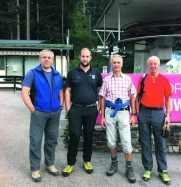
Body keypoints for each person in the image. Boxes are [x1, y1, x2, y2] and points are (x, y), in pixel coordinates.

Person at [21, 49, 64, 182]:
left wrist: (60, 105)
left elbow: (61, 90)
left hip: (54, 113)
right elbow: (24, 92)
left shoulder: (57, 74)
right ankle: (35, 169)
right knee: (36, 141)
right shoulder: (32, 73)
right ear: (40, 59)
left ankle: (50, 164)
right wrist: (33, 109)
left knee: (51, 140)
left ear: (52, 60)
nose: (46, 59)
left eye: (49, 57)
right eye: (44, 57)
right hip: (39, 113)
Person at [62, 48, 103, 177]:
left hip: (91, 109)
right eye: (83, 56)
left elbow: (100, 91)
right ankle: (70, 163)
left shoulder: (96, 73)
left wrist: (99, 108)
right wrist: (68, 108)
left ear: (91, 58)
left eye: (87, 56)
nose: (85, 59)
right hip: (76, 109)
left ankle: (87, 161)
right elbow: (67, 90)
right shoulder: (72, 73)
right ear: (79, 57)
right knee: (74, 136)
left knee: (89, 136)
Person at [99, 54, 137, 183]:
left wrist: (133, 115)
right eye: (114, 62)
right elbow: (102, 97)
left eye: (118, 62)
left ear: (122, 64)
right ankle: (114, 163)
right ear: (111, 64)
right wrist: (102, 116)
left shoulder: (127, 79)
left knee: (126, 141)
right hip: (110, 112)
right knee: (111, 140)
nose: (116, 65)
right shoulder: (106, 80)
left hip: (124, 112)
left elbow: (132, 97)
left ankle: (129, 167)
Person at [135, 56, 172, 185]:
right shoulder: (143, 79)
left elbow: (168, 99)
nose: (153, 66)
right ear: (147, 65)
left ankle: (163, 170)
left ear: (159, 64)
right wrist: (137, 114)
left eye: (155, 64)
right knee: (145, 142)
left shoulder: (164, 80)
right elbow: (137, 97)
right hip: (144, 113)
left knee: (160, 143)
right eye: (150, 64)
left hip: (158, 114)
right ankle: (148, 169)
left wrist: (168, 115)